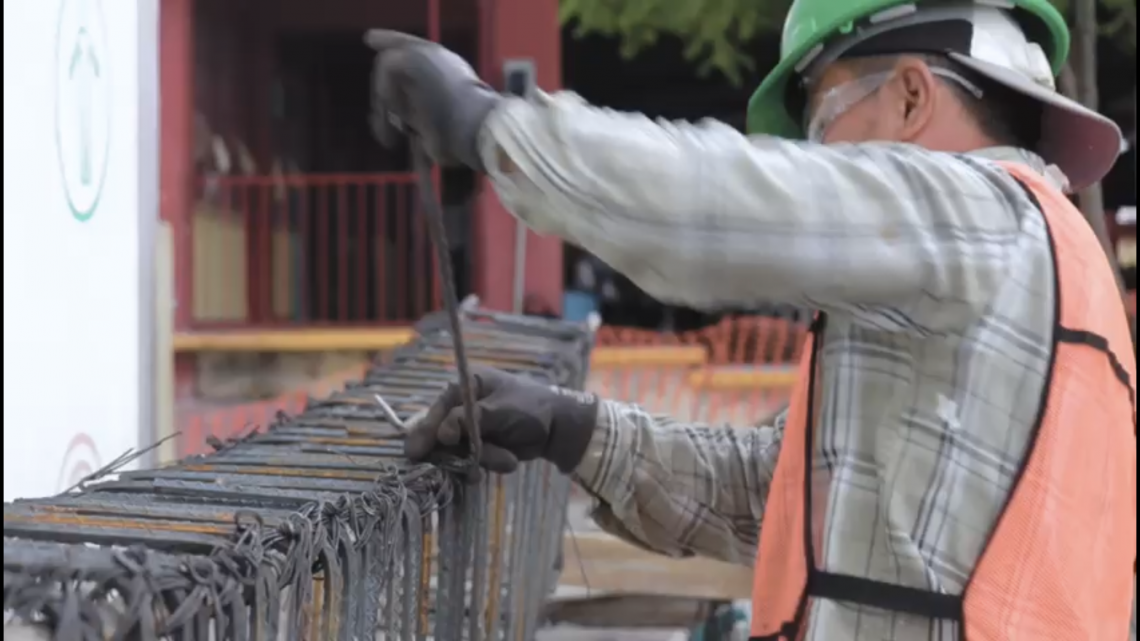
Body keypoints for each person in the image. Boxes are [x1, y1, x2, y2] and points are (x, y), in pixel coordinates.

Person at [365, 0, 1137, 638]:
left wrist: (489, 124)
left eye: (823, 117)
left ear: (911, 95)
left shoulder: (985, 216)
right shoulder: (1024, 274)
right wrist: (576, 431)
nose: (817, 152)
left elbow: (717, 202)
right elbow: (776, 498)